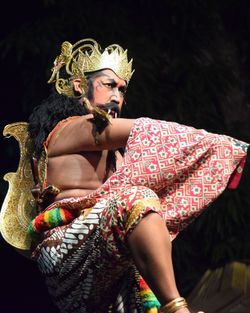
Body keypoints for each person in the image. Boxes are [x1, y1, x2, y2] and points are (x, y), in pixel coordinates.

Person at [0, 38, 248, 313]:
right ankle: (177, 309)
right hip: (66, 247)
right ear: (80, 85)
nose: (117, 97)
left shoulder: (115, 159)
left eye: (122, 89)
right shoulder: (73, 128)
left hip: (104, 261)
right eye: (109, 85)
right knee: (137, 200)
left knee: (142, 221)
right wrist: (225, 146)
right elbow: (147, 131)